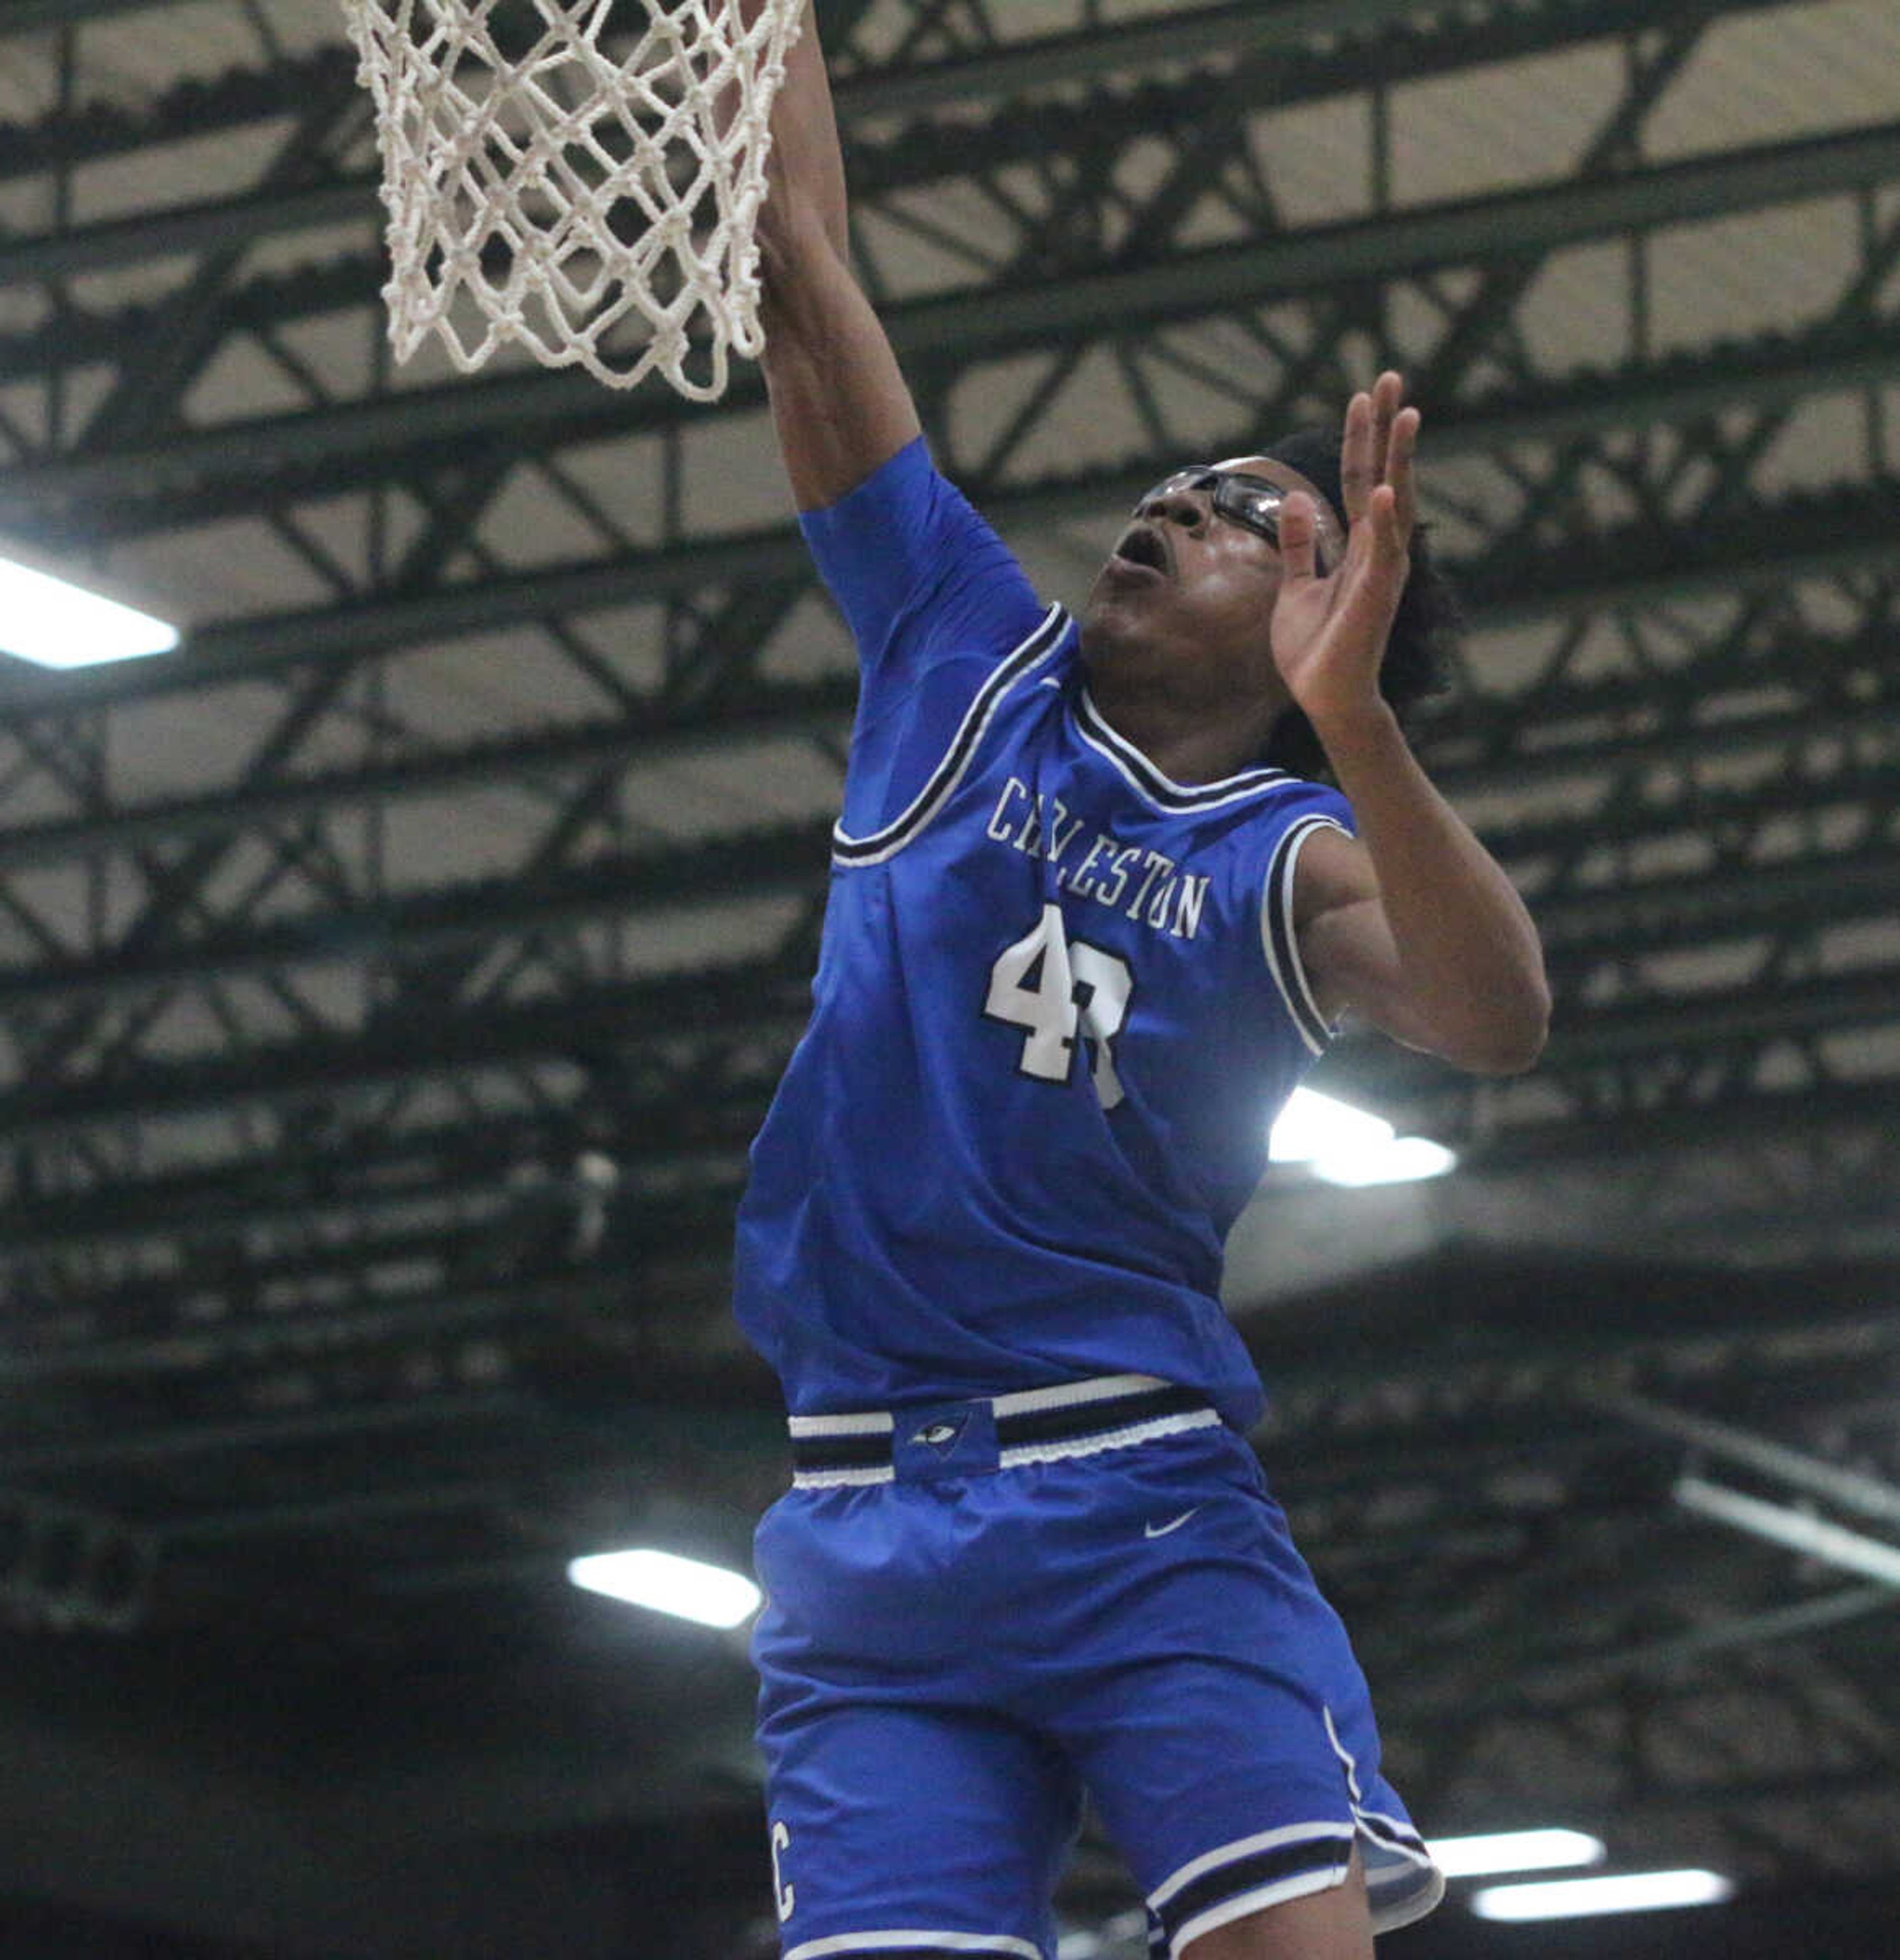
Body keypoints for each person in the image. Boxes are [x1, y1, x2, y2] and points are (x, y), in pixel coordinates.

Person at [730, 9, 1550, 1958]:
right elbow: (790, 259)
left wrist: (1353, 724)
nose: (1178, 504)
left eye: (1243, 517)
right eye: (1181, 483)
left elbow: (1499, 1010)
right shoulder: (957, 652)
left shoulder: (1290, 857)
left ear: (1314, 624)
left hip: (1137, 1501)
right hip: (860, 1520)